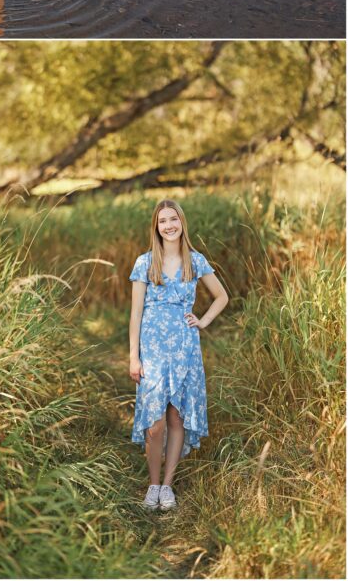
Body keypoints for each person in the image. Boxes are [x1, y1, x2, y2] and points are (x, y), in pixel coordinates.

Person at [128, 199, 228, 511]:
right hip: (154, 350)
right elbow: (135, 315)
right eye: (162, 221)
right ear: (155, 227)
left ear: (181, 223)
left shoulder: (195, 261)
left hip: (185, 348)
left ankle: (167, 486)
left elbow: (222, 296)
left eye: (173, 219)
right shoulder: (145, 263)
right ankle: (152, 484)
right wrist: (134, 356)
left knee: (176, 416)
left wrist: (204, 320)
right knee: (154, 422)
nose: (169, 225)